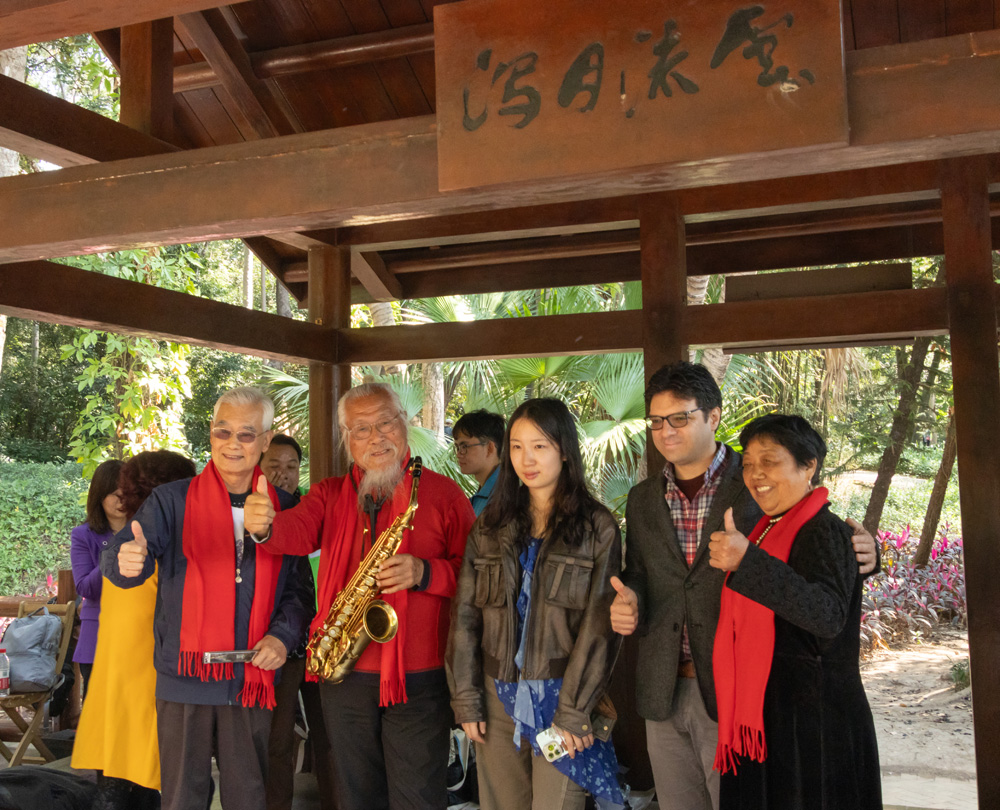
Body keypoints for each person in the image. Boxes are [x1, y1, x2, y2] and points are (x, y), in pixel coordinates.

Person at [608, 361, 878, 810]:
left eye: (679, 418)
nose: (666, 431)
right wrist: (632, 597)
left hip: (741, 691)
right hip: (664, 686)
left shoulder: (757, 485)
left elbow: (814, 544)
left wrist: (867, 555)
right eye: (656, 421)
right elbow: (639, 570)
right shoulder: (642, 499)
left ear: (713, 416)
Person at [244, 381, 475, 810]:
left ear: (404, 423)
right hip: (344, 672)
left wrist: (426, 572)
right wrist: (264, 527)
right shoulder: (329, 494)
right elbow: (294, 533)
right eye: (361, 429)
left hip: (418, 676)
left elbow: (478, 576)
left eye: (385, 423)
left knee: (417, 798)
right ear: (346, 438)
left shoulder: (443, 494)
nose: (376, 437)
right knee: (355, 795)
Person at [101, 387, 311, 810]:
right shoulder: (171, 500)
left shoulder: (287, 508)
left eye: (246, 434)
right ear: (210, 433)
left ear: (266, 441)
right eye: (222, 431)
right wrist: (125, 561)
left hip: (251, 674)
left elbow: (299, 591)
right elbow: (124, 555)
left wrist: (282, 637)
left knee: (250, 795)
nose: (233, 443)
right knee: (182, 796)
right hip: (184, 675)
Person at [447, 398, 624, 810]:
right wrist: (467, 698)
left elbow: (599, 629)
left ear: (564, 450)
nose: (527, 459)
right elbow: (465, 619)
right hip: (496, 696)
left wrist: (575, 710)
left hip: (562, 696)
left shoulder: (596, 527)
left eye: (540, 446)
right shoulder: (489, 527)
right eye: (517, 446)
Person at [708, 414, 881, 809]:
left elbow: (826, 615)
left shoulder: (823, 529)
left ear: (808, 466)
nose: (756, 474)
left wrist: (748, 563)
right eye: (748, 463)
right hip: (776, 718)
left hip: (816, 728)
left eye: (769, 461)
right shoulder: (768, 527)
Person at [73, 450, 196, 810]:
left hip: (117, 670)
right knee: (144, 778)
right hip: (148, 671)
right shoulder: (156, 540)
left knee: (120, 776)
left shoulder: (129, 537)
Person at [259, 435, 333, 810]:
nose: (283, 474)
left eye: (291, 466)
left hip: (326, 643)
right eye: (274, 466)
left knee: (332, 737)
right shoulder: (254, 520)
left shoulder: (314, 512)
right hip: (280, 647)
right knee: (277, 740)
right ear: (258, 468)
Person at [70, 458, 125, 693]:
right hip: (98, 639)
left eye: (128, 493)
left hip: (141, 638)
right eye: (115, 494)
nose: (122, 500)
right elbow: (86, 588)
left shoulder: (148, 532)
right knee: (99, 713)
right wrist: (116, 548)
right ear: (99, 496)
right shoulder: (83, 535)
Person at [453, 409, 505, 516]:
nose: (458, 454)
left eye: (465, 446)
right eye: (457, 447)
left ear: (490, 448)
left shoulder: (502, 497)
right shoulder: (484, 493)